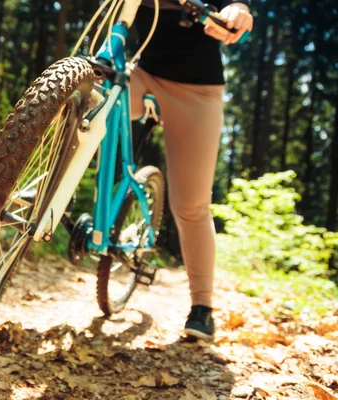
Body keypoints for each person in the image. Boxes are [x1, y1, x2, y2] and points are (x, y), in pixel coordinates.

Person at [107, 0, 254, 340]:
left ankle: (202, 307)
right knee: (87, 101)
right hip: (140, 77)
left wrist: (238, 15)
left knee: (191, 205)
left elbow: (239, 10)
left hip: (197, 91)